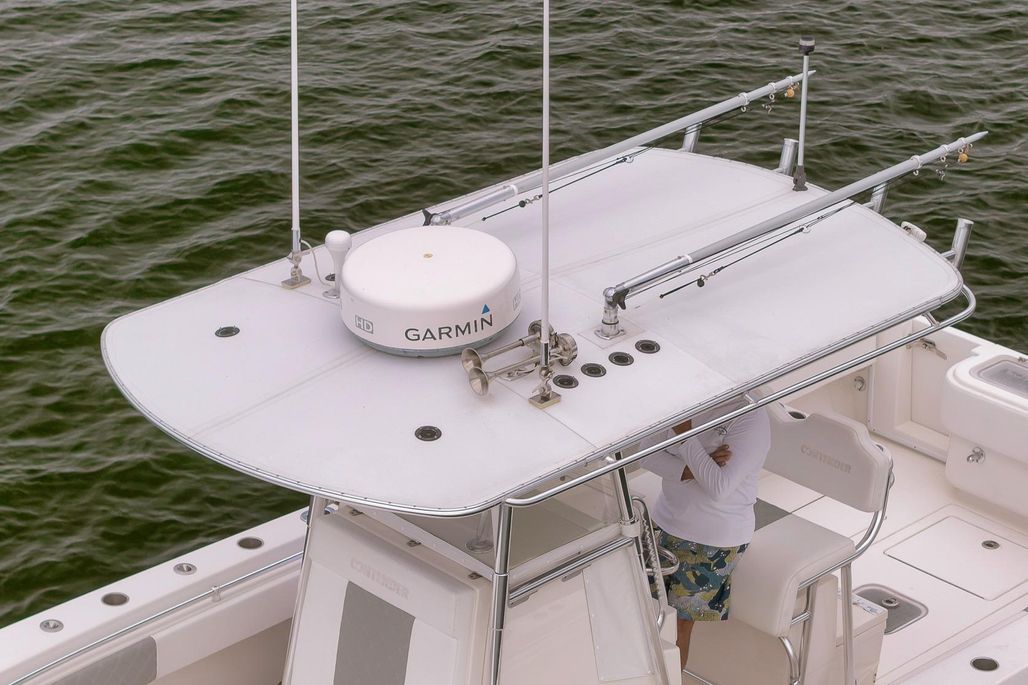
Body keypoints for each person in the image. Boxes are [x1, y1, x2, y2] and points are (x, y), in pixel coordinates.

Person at [641, 400, 770, 671]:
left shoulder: (751, 418)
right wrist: (694, 468)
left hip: (713, 538)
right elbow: (645, 452)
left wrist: (685, 435)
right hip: (663, 521)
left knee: (677, 626)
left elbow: (719, 487)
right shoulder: (684, 396)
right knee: (642, 612)